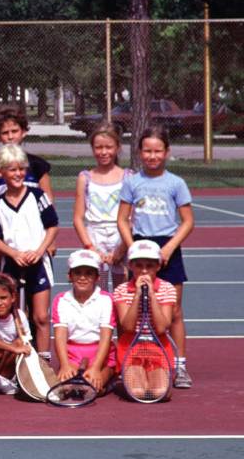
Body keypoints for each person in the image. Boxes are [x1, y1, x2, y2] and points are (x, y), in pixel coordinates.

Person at [117, 125, 194, 388]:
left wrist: (169, 248)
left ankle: (179, 365)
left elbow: (187, 221)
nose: (152, 156)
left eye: (157, 151)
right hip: (140, 246)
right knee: (135, 307)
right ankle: (129, 361)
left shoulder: (176, 183)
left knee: (174, 311)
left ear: (167, 152)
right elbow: (122, 219)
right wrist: (132, 248)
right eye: (147, 151)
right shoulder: (132, 182)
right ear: (140, 152)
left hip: (166, 247)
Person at [0, 144, 59, 358]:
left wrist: (39, 251)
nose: (18, 174)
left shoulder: (38, 195)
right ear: (0, 172)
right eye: (12, 169)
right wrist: (14, 254)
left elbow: (53, 226)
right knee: (13, 317)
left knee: (40, 317)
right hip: (11, 264)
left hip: (38, 264)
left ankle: (44, 364)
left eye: (21, 169)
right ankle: (17, 364)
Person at [0, 104, 54, 259]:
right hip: (6, 242)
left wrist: (50, 240)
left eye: (15, 131)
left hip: (36, 241)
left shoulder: (38, 165)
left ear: (24, 132)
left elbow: (48, 201)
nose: (11, 136)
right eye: (5, 133)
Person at [113, 240, 176, 400]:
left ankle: (156, 376)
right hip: (131, 347)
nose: (144, 271)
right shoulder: (121, 290)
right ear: (131, 266)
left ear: (158, 266)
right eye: (139, 265)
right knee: (139, 393)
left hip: (158, 347)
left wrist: (152, 296)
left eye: (149, 266)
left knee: (159, 393)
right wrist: (137, 295)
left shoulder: (167, 288)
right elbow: (127, 327)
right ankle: (127, 376)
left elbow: (162, 327)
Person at [74, 123, 131, 292]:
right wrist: (91, 247)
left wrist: (121, 250)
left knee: (123, 293)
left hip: (121, 238)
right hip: (94, 238)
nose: (103, 152)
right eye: (98, 147)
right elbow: (78, 218)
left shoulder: (128, 177)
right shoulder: (85, 178)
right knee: (99, 293)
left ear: (118, 148)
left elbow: (131, 218)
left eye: (108, 147)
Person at [52, 249, 116, 394]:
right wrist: (64, 365)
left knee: (91, 389)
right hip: (73, 354)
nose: (82, 277)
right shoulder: (61, 300)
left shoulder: (106, 300)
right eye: (77, 273)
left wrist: (95, 368)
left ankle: (109, 373)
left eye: (88, 273)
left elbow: (106, 337)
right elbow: (60, 336)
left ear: (97, 277)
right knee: (66, 389)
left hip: (100, 354)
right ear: (70, 276)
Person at [0, 273, 29, 395]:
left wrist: (17, 347)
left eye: (3, 298)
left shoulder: (19, 316)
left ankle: (4, 379)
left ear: (13, 297)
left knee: (21, 342)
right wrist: (12, 348)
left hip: (9, 360)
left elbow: (26, 341)